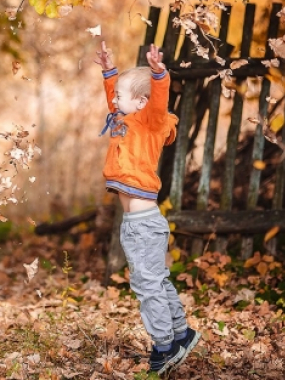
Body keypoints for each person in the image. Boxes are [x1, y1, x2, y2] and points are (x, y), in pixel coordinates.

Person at [94, 41, 200, 375]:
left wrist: (158, 73)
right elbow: (117, 94)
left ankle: (164, 346)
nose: (113, 101)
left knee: (147, 286)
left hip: (144, 223)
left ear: (141, 102)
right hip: (135, 223)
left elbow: (157, 99)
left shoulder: (150, 122)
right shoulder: (124, 121)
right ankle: (182, 334)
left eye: (120, 97)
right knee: (156, 280)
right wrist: (109, 71)